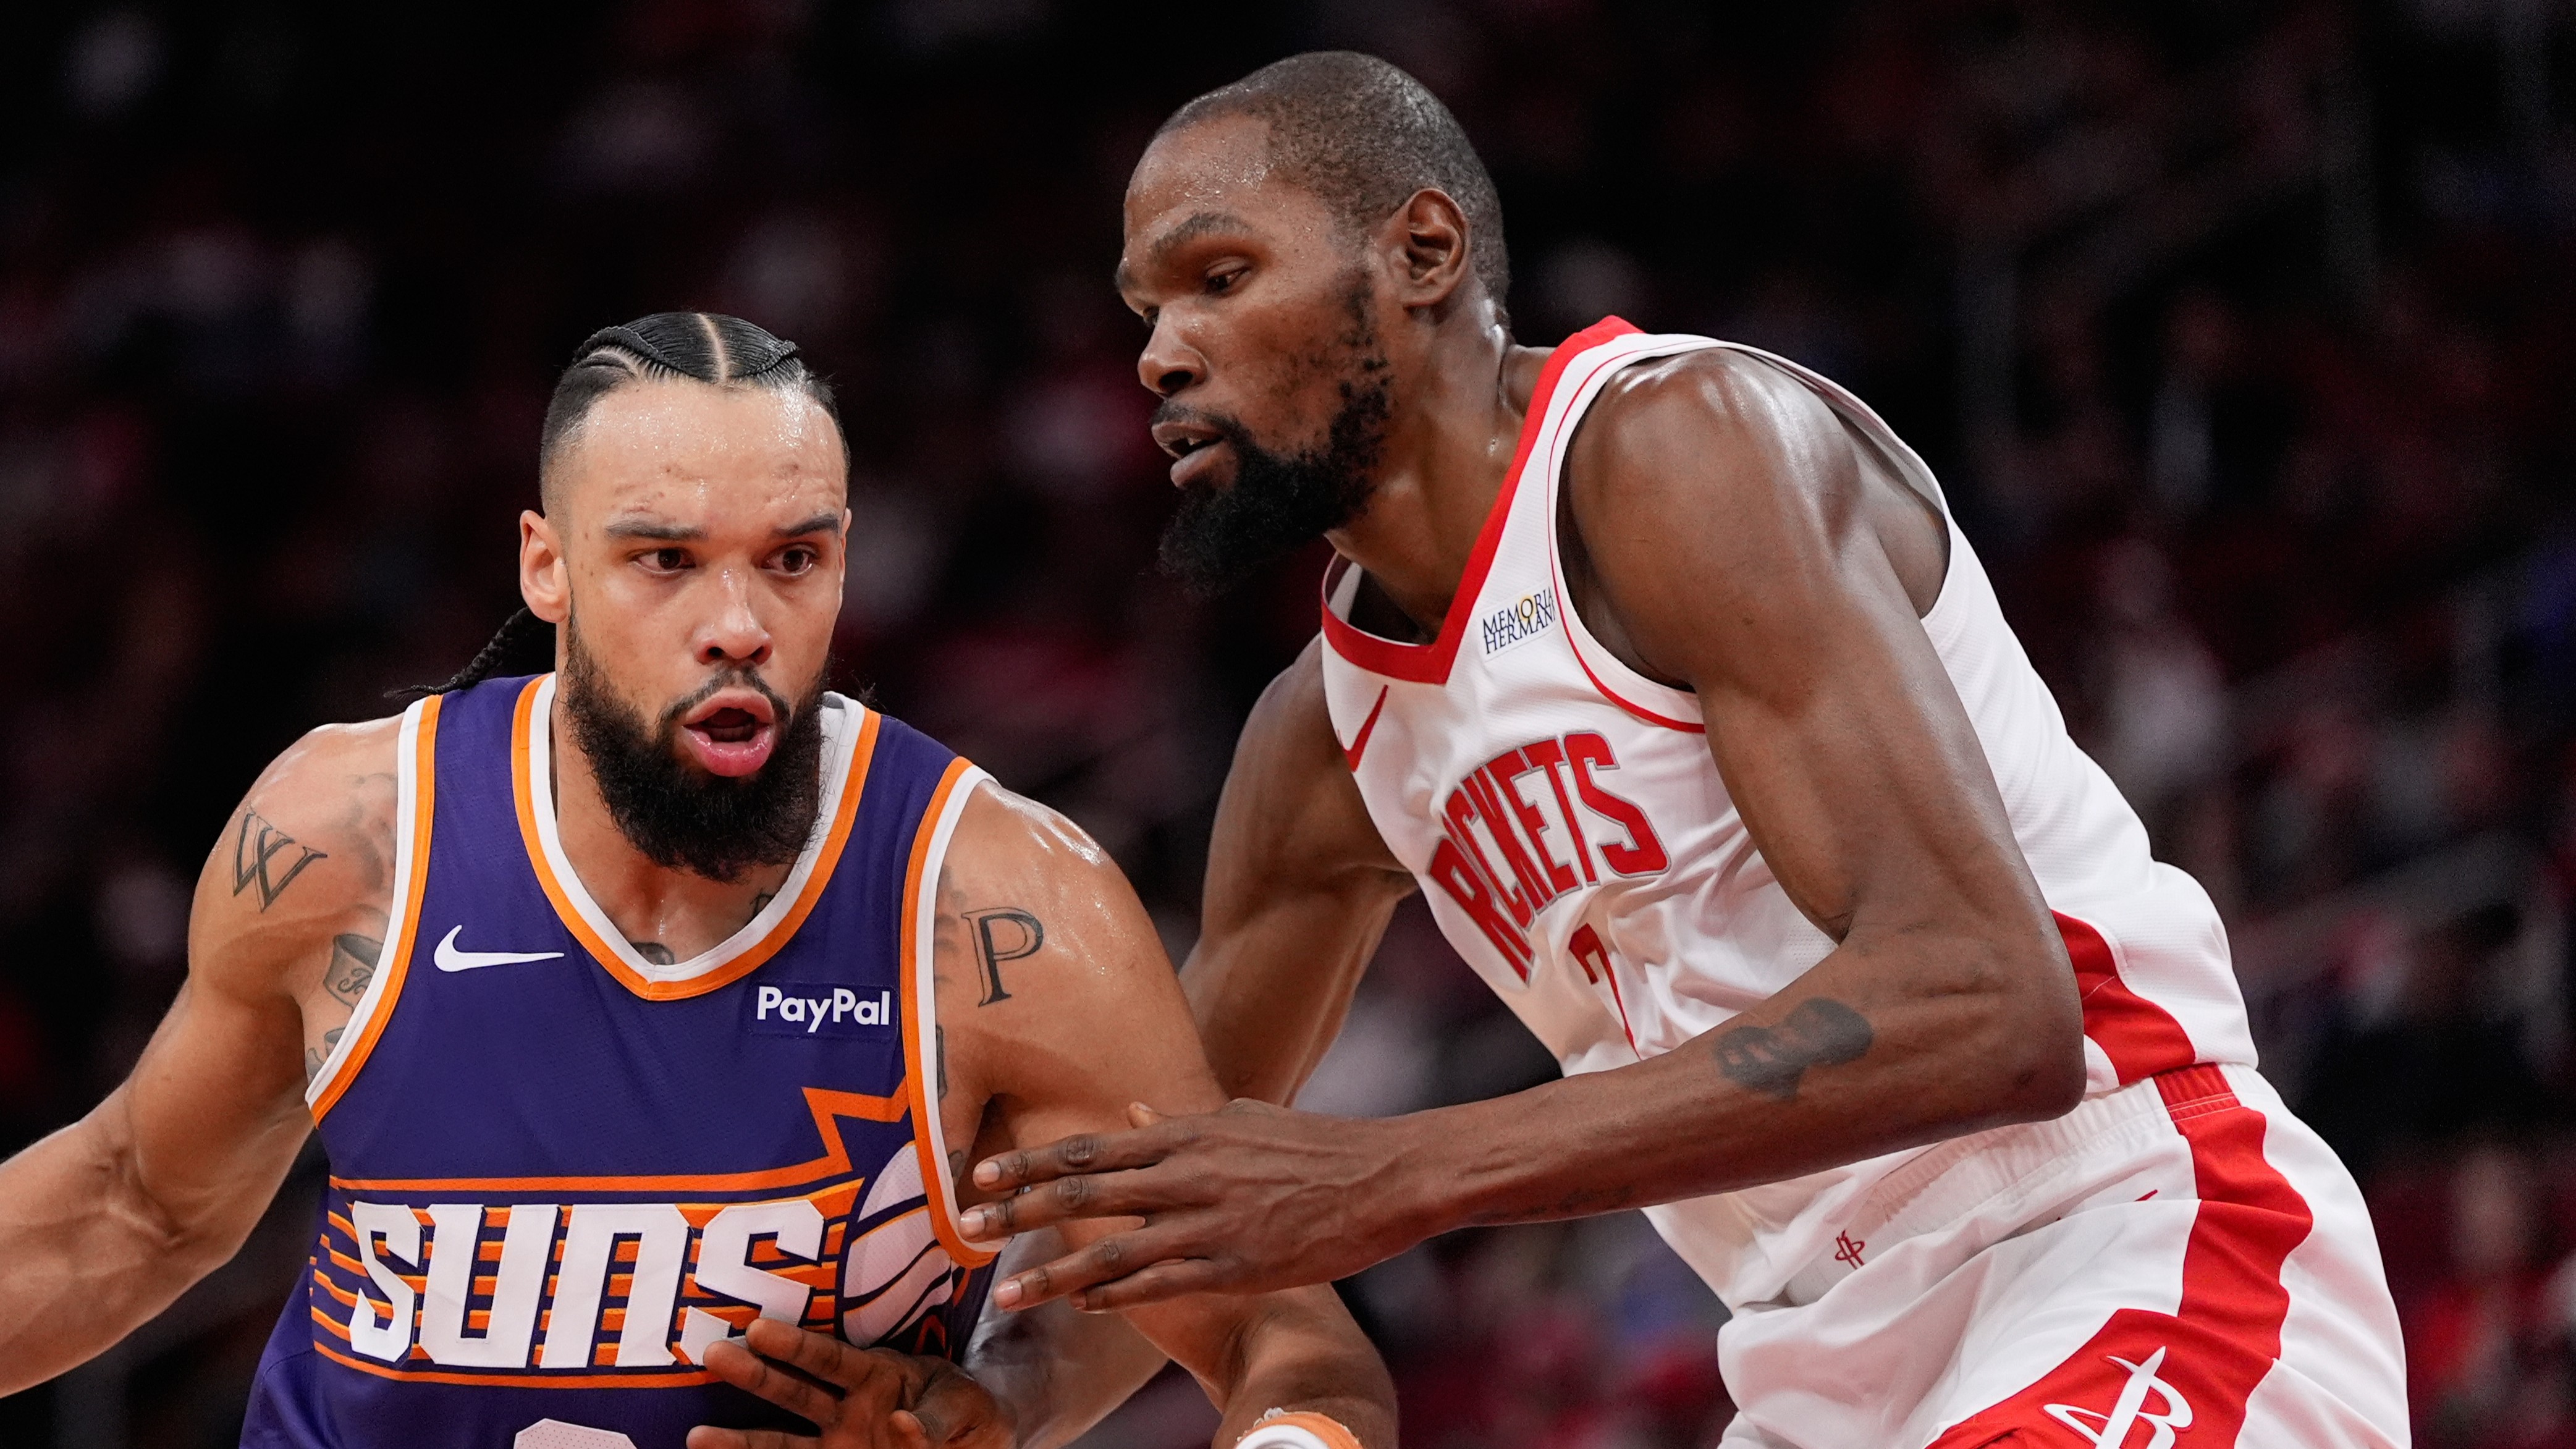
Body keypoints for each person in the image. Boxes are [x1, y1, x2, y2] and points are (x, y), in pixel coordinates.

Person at [958, 53, 2411, 1449]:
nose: (1160, 355)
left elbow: (1990, 1008)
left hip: (2117, 1228)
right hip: (1812, 1363)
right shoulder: (1322, 746)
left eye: (1220, 279)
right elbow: (1166, 1201)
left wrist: (1397, 1175)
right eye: (1144, 310)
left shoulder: (1673, 452)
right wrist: (979, 1406)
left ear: (1420, 252)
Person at [0, 313, 1394, 1449]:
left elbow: (1295, 1350)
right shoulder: (350, 832)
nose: (739, 626)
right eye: (664, 561)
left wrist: (1016, 1407)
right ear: (546, 568)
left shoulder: (999, 911)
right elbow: (131, 1209)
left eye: (794, 560)